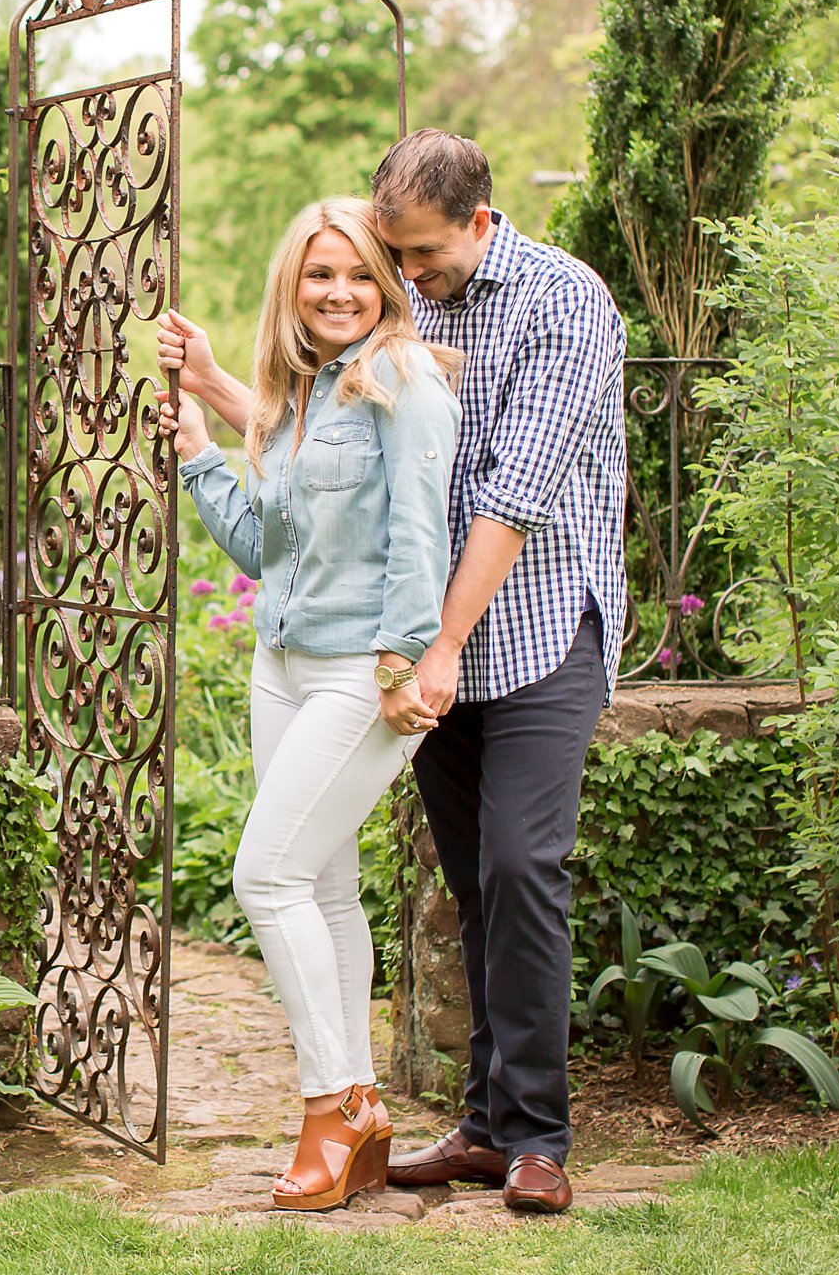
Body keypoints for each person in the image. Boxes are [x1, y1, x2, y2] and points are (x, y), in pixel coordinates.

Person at [161, 131, 625, 1216]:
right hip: (422, 639)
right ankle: (481, 1121)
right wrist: (218, 393)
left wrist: (434, 646)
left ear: (476, 221)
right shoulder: (408, 304)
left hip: (528, 624)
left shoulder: (562, 303)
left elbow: (512, 494)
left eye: (410, 257)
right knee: (469, 878)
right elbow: (332, 464)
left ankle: (537, 1137)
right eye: (387, 258)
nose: (400, 275)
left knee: (521, 866)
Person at [157, 195, 460, 1212]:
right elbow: (263, 551)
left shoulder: (405, 381)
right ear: (292, 282)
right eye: (319, 273)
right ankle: (364, 1109)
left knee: (265, 875)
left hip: (356, 672)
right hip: (279, 662)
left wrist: (399, 664)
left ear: (389, 284)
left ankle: (328, 1106)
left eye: (360, 273)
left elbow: (423, 537)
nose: (338, 292)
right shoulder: (302, 399)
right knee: (323, 889)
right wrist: (201, 446)